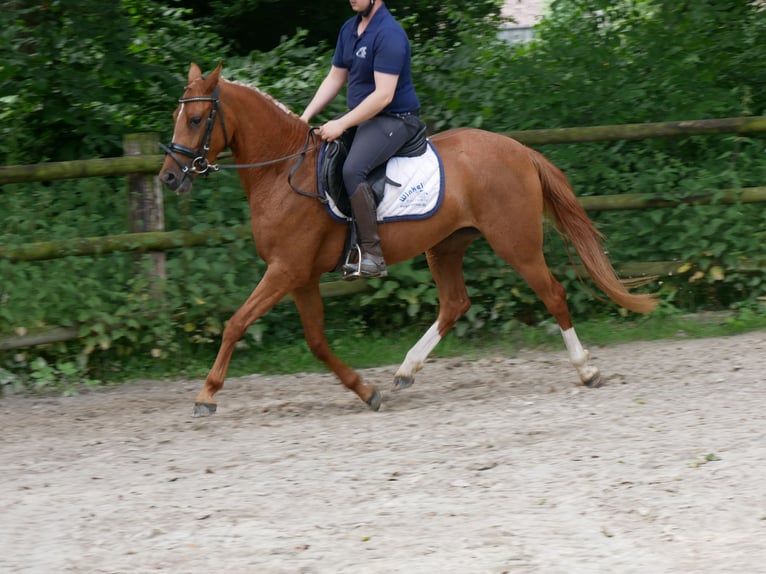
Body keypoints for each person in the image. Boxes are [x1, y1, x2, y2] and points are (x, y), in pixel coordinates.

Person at [300, 0, 421, 278]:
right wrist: (304, 118)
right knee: (323, 157)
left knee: (353, 169)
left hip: (395, 118)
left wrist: (341, 123)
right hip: (365, 118)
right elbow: (334, 77)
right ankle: (345, 245)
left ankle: (372, 254)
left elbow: (383, 96)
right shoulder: (350, 29)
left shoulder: (388, 33)